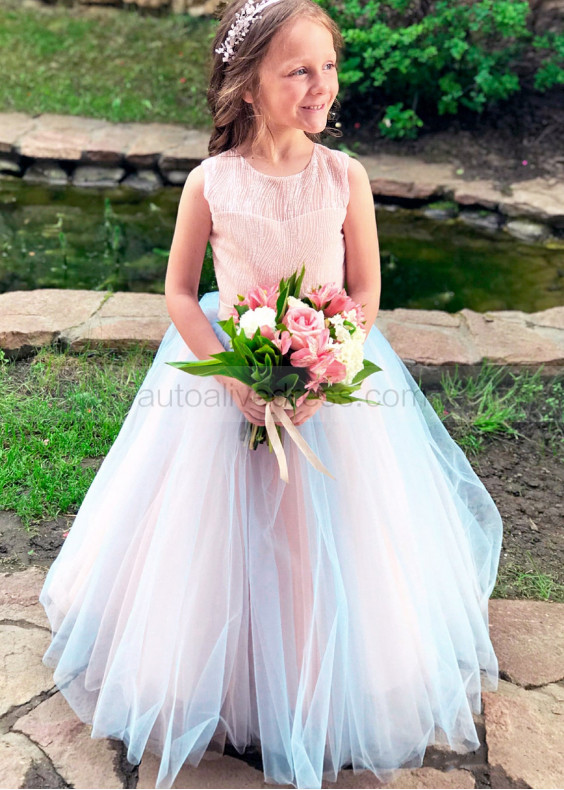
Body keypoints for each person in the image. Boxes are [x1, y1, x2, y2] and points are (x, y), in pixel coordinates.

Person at [39, 0, 504, 788]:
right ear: (249, 85)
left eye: (327, 68)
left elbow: (362, 293)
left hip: (333, 394)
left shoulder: (343, 177)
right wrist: (233, 374)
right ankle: (226, 680)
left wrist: (329, 367)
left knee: (324, 538)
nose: (320, 86)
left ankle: (318, 679)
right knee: (220, 537)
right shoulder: (212, 183)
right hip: (227, 393)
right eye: (299, 71)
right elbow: (183, 295)